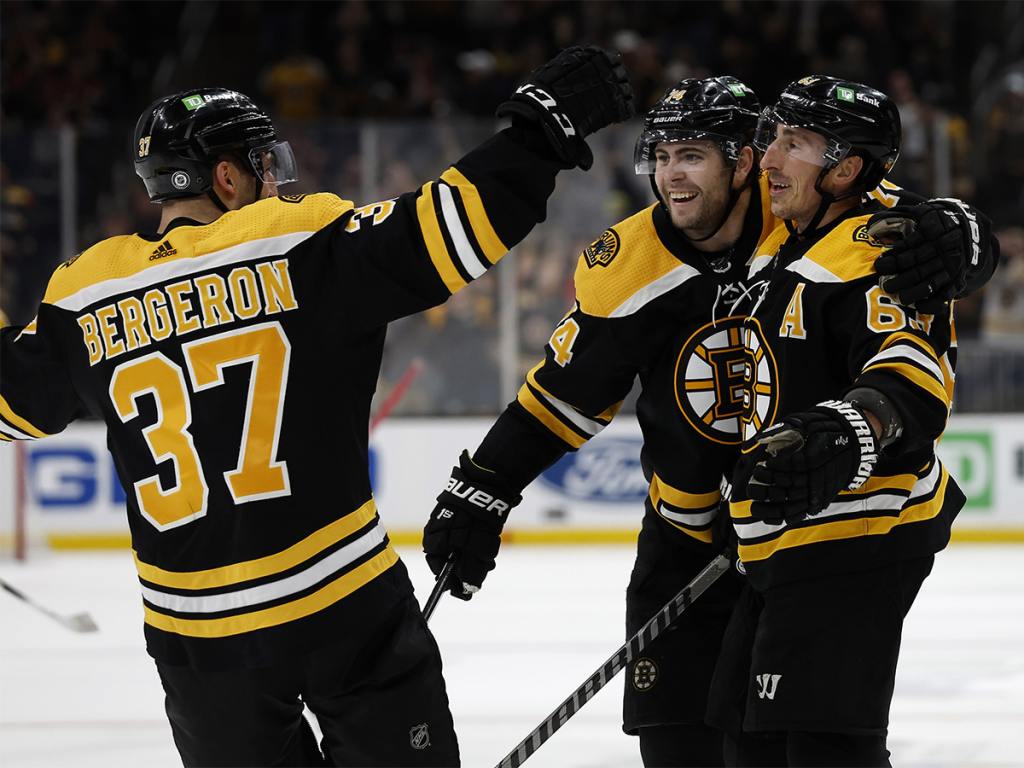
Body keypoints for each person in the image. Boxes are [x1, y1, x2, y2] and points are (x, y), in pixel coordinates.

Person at [0, 46, 634, 767]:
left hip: (198, 643)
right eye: (263, 167)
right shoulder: (296, 239)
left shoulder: (83, 291)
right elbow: (448, 228)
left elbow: (7, 397)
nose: (275, 181)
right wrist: (538, 133)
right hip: (342, 609)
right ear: (228, 177)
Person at [421, 76, 997, 767]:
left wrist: (966, 237)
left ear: (742, 161)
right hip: (693, 528)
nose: (671, 176)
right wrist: (484, 484)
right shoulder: (629, 262)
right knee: (685, 741)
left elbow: (900, 243)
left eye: (691, 156)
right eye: (661, 157)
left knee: (804, 742)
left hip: (823, 518)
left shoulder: (796, 209)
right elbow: (561, 398)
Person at [708, 76, 977, 766]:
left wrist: (852, 429)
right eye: (773, 137)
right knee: (743, 740)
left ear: (847, 170)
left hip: (860, 529)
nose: (768, 159)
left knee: (822, 750)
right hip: (783, 532)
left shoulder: (877, 250)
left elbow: (911, 374)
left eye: (793, 144)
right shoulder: (790, 237)